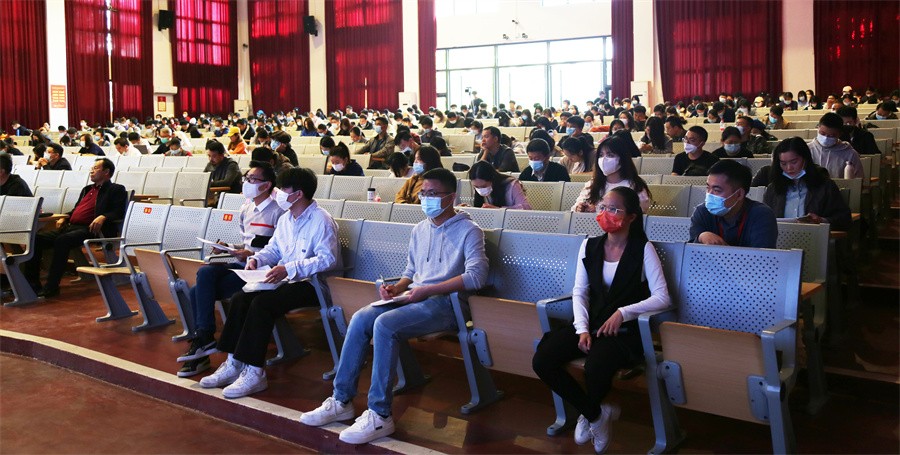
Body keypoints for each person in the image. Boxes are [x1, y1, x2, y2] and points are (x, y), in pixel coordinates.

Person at [300, 168, 488, 444]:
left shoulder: (470, 231)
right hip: (415, 296)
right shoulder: (420, 229)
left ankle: (380, 415)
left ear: (451, 197)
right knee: (362, 318)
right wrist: (397, 288)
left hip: (447, 304)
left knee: (385, 325)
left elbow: (476, 276)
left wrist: (427, 290)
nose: (426, 199)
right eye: (424, 193)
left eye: (433, 194)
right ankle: (341, 400)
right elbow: (411, 271)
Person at [533, 186, 669, 454]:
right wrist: (582, 329)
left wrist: (623, 313)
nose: (606, 213)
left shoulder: (643, 249)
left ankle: (590, 413)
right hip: (591, 323)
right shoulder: (590, 245)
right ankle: (595, 413)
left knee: (596, 366)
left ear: (631, 216)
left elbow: (662, 298)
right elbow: (580, 292)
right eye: (603, 207)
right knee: (543, 359)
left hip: (624, 331)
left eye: (614, 209)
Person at [199, 167, 341, 398]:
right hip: (284, 280)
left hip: (312, 284)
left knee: (262, 304)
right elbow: (273, 249)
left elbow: (327, 259)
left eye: (284, 188)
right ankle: (234, 362)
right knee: (241, 298)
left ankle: (255, 372)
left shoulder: (321, 220)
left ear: (298, 194)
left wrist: (290, 269)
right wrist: (257, 259)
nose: (279, 193)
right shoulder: (286, 219)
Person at [176, 162, 284, 377]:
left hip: (264, 271)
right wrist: (229, 247)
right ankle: (204, 338)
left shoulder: (278, 212)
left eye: (252, 179)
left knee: (197, 291)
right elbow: (247, 244)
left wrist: (251, 254)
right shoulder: (246, 208)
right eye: (246, 178)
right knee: (205, 272)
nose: (246, 182)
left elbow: (280, 248)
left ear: (266, 185)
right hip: (243, 265)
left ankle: (202, 347)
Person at [25, 158, 128, 297]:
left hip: (92, 230)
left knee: (62, 241)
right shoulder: (87, 189)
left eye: (95, 168)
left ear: (106, 172)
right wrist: (65, 217)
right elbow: (76, 210)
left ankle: (51, 287)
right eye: (92, 168)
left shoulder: (116, 189)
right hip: (71, 227)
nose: (91, 171)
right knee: (35, 239)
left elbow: (118, 212)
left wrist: (103, 216)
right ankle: (32, 284)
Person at [762, 138, 850, 231]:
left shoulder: (825, 186)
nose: (789, 168)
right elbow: (764, 219)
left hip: (815, 237)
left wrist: (821, 221)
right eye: (783, 164)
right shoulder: (773, 189)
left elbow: (844, 219)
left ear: (805, 159)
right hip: (780, 237)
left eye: (794, 162)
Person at [689, 159, 777, 248]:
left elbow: (761, 255)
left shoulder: (762, 215)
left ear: (739, 194)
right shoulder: (702, 212)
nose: (709, 194)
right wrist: (701, 237)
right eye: (708, 188)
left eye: (716, 190)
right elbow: (690, 250)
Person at [572, 135, 650, 213]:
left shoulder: (635, 186)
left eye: (610, 155)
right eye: (601, 155)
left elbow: (638, 215)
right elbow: (576, 206)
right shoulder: (592, 184)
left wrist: (598, 210)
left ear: (622, 159)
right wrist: (580, 208)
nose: (603, 159)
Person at [808, 112, 864, 179]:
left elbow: (858, 180)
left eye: (831, 136)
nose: (826, 138)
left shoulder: (850, 154)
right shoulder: (807, 150)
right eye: (822, 133)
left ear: (839, 134)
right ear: (818, 128)